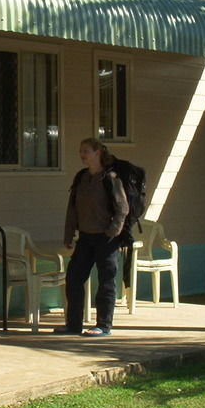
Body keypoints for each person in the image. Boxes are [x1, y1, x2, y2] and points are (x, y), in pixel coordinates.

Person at [55, 138, 129, 337]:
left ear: (97, 153)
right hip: (85, 238)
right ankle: (73, 324)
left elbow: (122, 208)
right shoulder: (81, 178)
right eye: (81, 151)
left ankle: (103, 325)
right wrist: (69, 234)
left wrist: (112, 232)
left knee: (106, 281)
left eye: (86, 151)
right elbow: (72, 208)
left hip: (106, 239)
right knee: (74, 278)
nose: (82, 154)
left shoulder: (110, 178)